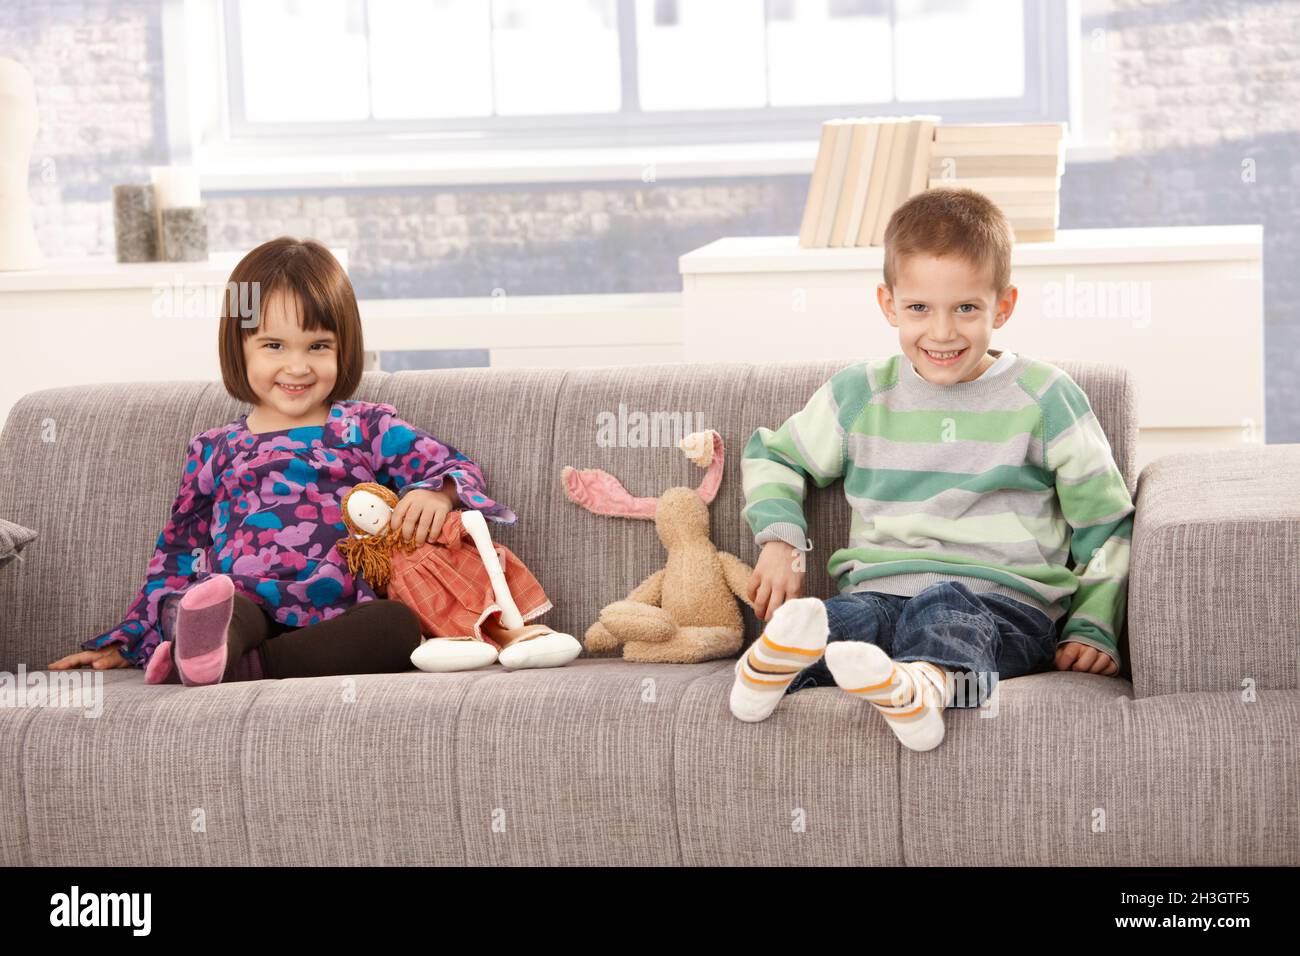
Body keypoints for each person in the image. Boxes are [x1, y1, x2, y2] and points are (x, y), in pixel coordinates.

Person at [730, 186, 1135, 752]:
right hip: (881, 594)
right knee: (836, 621)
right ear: (889, 304)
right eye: (919, 308)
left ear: (1004, 305)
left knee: (946, 608)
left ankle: (926, 686)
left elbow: (1108, 523)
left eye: (966, 308)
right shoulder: (861, 393)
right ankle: (772, 670)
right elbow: (775, 454)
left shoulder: (1045, 397)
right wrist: (781, 541)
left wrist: (1094, 625)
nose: (942, 333)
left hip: (1002, 606)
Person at [48, 237, 516, 685]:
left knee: (396, 627)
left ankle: (240, 667)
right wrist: (129, 639)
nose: (297, 367)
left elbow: (454, 466)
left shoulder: (366, 426)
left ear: (343, 348)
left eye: (318, 346)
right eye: (274, 346)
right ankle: (208, 645)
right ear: (240, 347)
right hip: (243, 603)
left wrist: (438, 492)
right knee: (201, 604)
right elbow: (174, 553)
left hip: (340, 610)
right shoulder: (214, 449)